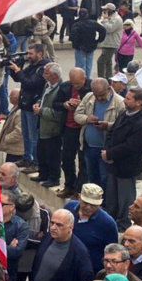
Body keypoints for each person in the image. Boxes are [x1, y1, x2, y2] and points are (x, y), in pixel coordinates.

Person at [103, 88, 142, 230]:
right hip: (113, 164)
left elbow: (130, 147)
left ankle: (122, 224)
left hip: (127, 167)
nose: (125, 100)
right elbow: (111, 133)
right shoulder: (125, 113)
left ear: (139, 102)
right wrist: (107, 152)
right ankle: (110, 221)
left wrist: (111, 155)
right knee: (112, 197)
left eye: (129, 98)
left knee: (125, 199)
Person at [74, 78, 125, 191]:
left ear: (108, 89)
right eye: (96, 95)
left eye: (102, 95)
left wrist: (107, 125)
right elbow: (77, 115)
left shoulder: (119, 102)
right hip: (89, 146)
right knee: (92, 177)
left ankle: (105, 203)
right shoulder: (89, 97)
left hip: (105, 149)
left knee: (105, 178)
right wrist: (87, 118)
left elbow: (123, 126)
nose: (99, 98)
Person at [8, 43, 50, 171]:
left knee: (33, 136)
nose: (28, 56)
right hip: (25, 105)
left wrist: (18, 70)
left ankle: (36, 163)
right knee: (25, 135)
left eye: (31, 54)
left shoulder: (43, 68)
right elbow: (18, 78)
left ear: (40, 54)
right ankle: (27, 158)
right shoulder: (33, 66)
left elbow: (29, 83)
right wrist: (13, 67)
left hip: (33, 106)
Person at [53, 68, 91, 199]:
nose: (76, 87)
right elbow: (55, 104)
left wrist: (82, 106)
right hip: (68, 127)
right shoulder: (64, 87)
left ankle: (78, 189)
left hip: (83, 129)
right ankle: (69, 185)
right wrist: (65, 104)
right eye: (73, 83)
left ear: (84, 79)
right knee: (67, 158)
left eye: (79, 84)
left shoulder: (90, 88)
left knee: (83, 162)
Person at [64, 184, 117, 273]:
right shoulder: (68, 208)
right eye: (86, 203)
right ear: (79, 197)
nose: (89, 207)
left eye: (93, 204)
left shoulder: (108, 223)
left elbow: (113, 252)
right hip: (66, 265)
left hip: (90, 272)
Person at [32, 62, 64, 189]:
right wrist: (38, 103)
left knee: (53, 154)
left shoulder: (61, 89)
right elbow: (43, 98)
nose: (43, 75)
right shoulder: (47, 85)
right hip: (42, 125)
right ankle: (43, 173)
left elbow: (58, 113)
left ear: (54, 75)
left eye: (46, 73)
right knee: (42, 152)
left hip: (53, 129)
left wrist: (41, 111)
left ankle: (54, 177)